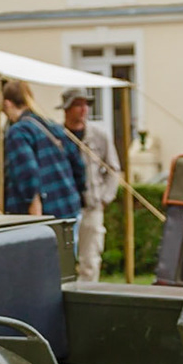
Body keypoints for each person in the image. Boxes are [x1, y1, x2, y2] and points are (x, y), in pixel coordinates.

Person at [0, 79, 84, 226]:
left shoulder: (18, 131)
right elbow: (78, 165)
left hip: (45, 216)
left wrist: (36, 219)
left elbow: (28, 175)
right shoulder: (52, 125)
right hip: (69, 209)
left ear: (7, 103)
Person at [60, 88, 119, 282]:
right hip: (63, 209)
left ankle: (87, 297)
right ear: (67, 108)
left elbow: (113, 170)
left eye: (86, 104)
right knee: (63, 260)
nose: (83, 109)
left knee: (91, 260)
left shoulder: (99, 135)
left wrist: (105, 198)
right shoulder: (57, 135)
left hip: (91, 207)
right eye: (78, 104)